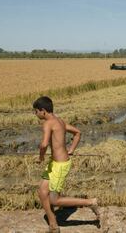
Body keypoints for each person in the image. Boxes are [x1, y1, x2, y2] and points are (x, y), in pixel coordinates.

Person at [33, 96, 99, 233]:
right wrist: (71, 150)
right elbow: (77, 133)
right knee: (42, 192)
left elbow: (44, 144)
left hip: (60, 165)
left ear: (43, 111)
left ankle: (91, 202)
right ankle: (53, 226)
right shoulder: (60, 121)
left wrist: (40, 157)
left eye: (36, 111)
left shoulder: (47, 123)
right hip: (55, 163)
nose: (35, 114)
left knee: (54, 200)